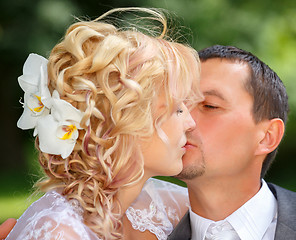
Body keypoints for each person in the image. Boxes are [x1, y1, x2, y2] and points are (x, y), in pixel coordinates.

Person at [5, 7, 203, 240]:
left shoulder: (168, 206)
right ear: (125, 121)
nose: (191, 123)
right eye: (178, 109)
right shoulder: (60, 232)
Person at [165, 45, 296, 240]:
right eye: (179, 105)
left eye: (210, 106)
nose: (185, 120)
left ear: (268, 136)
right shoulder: (150, 229)